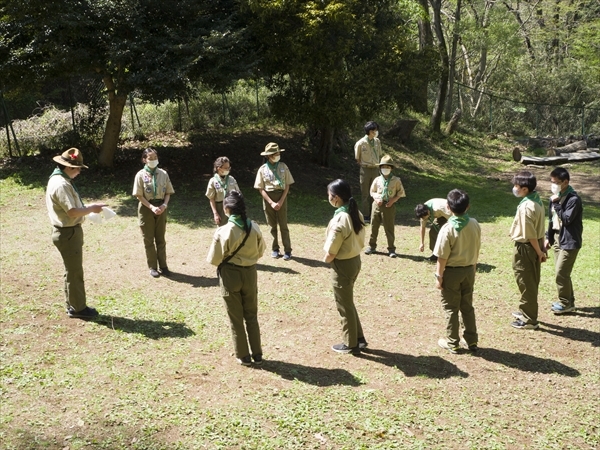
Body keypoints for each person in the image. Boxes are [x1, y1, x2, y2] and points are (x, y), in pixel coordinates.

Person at [45, 148, 107, 319]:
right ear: (68, 167)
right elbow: (72, 212)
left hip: (67, 232)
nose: (79, 172)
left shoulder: (60, 178)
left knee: (71, 270)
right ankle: (78, 308)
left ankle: (73, 304)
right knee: (74, 272)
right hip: (68, 233)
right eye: (78, 168)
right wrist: (92, 209)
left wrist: (89, 209)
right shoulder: (61, 184)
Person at [207, 190, 266, 366]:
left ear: (226, 209)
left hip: (230, 275)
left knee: (235, 316)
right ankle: (257, 353)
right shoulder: (254, 226)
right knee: (251, 315)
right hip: (250, 273)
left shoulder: (223, 231)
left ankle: (243, 355)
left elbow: (214, 259)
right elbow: (261, 251)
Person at [433, 189, 481, 353]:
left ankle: (452, 342)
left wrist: (439, 277)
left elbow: (442, 257)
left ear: (448, 207)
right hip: (469, 270)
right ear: (468, 207)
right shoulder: (474, 223)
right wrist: (473, 267)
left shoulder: (447, 229)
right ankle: (472, 340)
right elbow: (476, 248)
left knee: (451, 308)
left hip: (452, 273)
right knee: (467, 306)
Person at [323, 179, 368, 354]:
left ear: (336, 198)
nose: (328, 198)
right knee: (348, 302)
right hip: (355, 260)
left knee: (344, 304)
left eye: (329, 195)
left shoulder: (341, 218)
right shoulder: (354, 211)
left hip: (342, 265)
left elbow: (332, 249)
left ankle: (350, 343)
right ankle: (359, 338)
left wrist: (327, 259)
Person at [509, 171, 546, 330]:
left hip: (527, 248)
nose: (514, 188)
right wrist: (541, 247)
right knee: (530, 280)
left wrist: (539, 252)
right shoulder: (537, 200)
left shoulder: (526, 207)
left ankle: (529, 319)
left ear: (525, 189)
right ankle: (526, 310)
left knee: (526, 282)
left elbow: (529, 235)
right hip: (536, 244)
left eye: (516, 186)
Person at [544, 167, 583, 314]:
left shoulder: (573, 199)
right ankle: (569, 301)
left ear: (565, 182)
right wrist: (548, 237)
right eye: (551, 181)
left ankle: (565, 303)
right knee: (562, 273)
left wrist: (556, 204)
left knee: (561, 273)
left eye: (556, 182)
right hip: (558, 239)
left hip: (570, 241)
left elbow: (566, 219)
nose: (553, 185)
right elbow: (551, 218)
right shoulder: (555, 196)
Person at [132, 148, 175, 278]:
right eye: (150, 158)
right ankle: (152, 267)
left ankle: (164, 266)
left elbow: (168, 192)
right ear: (144, 159)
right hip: (146, 208)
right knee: (148, 239)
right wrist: (151, 207)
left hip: (161, 207)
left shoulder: (163, 173)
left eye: (155, 158)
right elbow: (139, 195)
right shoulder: (140, 175)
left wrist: (164, 205)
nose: (153, 160)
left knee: (161, 238)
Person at [254, 142, 295, 260]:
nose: (277, 155)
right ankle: (275, 249)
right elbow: (260, 188)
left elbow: (287, 185)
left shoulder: (283, 166)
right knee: (272, 226)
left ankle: (288, 250)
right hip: (268, 198)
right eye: (275, 154)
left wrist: (281, 201)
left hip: (281, 196)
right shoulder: (262, 169)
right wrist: (271, 202)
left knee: (284, 225)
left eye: (278, 153)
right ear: (268, 155)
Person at [364, 155, 406, 258]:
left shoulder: (396, 180)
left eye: (388, 167)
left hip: (389, 206)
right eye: (383, 167)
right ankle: (371, 246)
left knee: (389, 228)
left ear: (391, 168)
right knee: (374, 226)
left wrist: (393, 201)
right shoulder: (377, 180)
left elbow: (400, 193)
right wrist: (376, 198)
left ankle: (391, 249)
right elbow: (372, 191)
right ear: (380, 168)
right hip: (377, 205)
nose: (385, 169)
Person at [354, 121, 382, 223]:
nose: (376, 132)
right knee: (365, 193)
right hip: (365, 169)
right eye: (375, 130)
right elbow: (358, 158)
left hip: (375, 169)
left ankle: (374, 214)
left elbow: (379, 154)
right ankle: (366, 215)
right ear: (370, 131)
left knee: (375, 192)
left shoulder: (377, 141)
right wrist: (365, 164)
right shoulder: (360, 143)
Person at [206, 156, 240, 226]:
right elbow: (211, 199)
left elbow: (238, 194)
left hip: (233, 206)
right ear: (219, 168)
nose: (228, 170)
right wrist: (215, 214)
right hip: (221, 207)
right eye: (226, 168)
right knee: (223, 230)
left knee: (234, 228)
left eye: (229, 168)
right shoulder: (213, 181)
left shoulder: (231, 179)